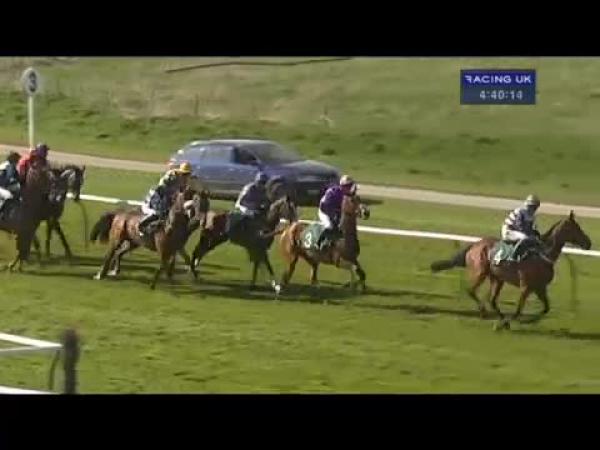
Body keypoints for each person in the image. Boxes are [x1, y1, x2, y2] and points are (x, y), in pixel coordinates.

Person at [139, 162, 193, 237]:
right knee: (158, 213)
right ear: (180, 173)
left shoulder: (184, 181)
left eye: (187, 174)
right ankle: (142, 226)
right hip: (157, 196)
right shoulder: (171, 176)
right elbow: (161, 188)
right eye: (184, 174)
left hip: (168, 198)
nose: (186, 177)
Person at [316, 175, 357, 250]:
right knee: (329, 226)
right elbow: (325, 206)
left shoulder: (347, 193)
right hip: (324, 211)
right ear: (343, 186)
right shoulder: (334, 193)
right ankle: (319, 242)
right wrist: (334, 215)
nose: (350, 188)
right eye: (348, 186)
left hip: (335, 210)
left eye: (350, 185)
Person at [501, 194, 541, 261]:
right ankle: (512, 257)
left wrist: (534, 234)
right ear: (529, 206)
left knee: (533, 239)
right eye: (533, 207)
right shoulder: (520, 212)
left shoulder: (532, 216)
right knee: (524, 238)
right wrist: (529, 234)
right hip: (508, 231)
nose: (534, 209)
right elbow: (519, 226)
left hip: (516, 231)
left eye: (535, 207)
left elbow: (530, 228)